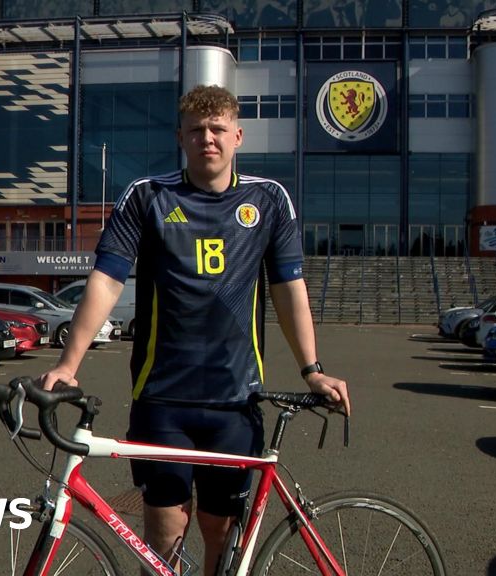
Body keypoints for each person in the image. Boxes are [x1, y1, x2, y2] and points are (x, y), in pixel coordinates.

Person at [40, 84, 350, 575]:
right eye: (197, 130)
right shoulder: (148, 197)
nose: (208, 138)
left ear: (238, 136)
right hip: (163, 399)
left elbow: (288, 289)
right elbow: (105, 281)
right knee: (163, 537)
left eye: (218, 129)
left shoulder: (268, 201)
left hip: (235, 399)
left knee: (219, 532)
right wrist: (68, 364)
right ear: (180, 137)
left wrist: (313, 370)